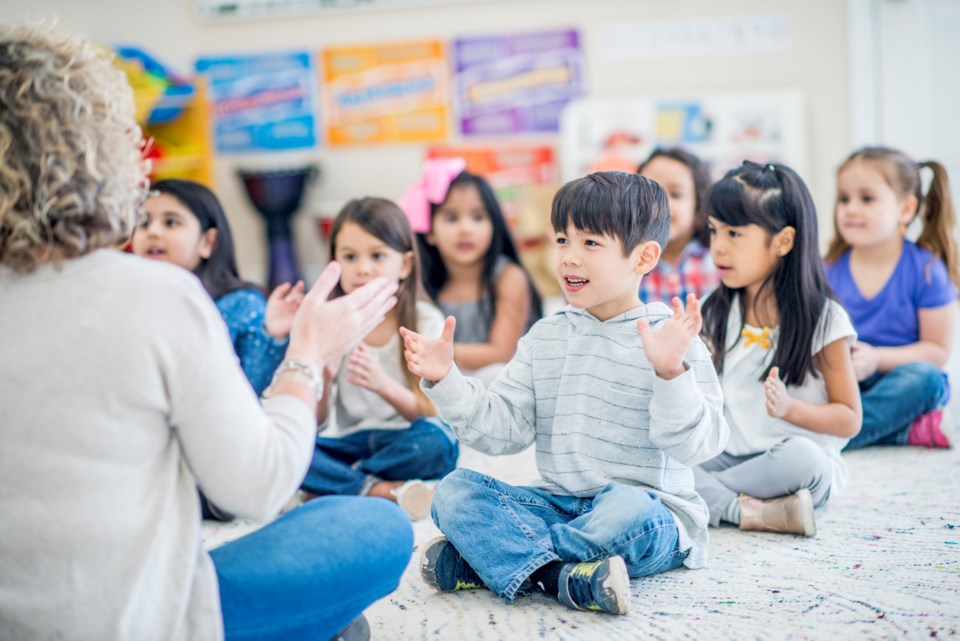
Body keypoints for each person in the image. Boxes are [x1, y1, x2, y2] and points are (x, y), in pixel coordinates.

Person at [0, 24, 411, 641]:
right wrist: (307, 352)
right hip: (142, 621)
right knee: (378, 530)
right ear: (103, 154)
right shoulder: (155, 292)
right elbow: (256, 484)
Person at [399, 171, 728, 616]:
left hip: (650, 514)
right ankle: (559, 578)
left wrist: (671, 373)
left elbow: (698, 446)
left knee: (626, 510)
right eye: (561, 240)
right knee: (454, 492)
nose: (569, 258)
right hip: (560, 505)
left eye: (590, 243)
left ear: (643, 257)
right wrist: (447, 380)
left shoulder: (671, 339)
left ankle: (495, 561)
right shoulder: (546, 336)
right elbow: (502, 432)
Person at [694, 161, 862, 538]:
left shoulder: (824, 319)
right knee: (657, 458)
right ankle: (748, 511)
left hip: (790, 460)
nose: (717, 247)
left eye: (734, 233)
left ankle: (698, 500)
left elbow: (850, 418)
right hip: (728, 454)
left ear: (783, 241)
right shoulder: (715, 310)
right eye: (713, 231)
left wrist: (791, 409)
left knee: (806, 461)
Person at [301, 197, 459, 520]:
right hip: (350, 442)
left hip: (404, 439)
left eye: (377, 255)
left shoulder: (423, 320)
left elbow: (433, 411)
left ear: (405, 265)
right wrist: (325, 376)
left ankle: (340, 483)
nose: (362, 268)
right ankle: (381, 490)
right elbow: (313, 421)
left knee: (441, 441)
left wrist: (382, 384)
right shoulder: (330, 321)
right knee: (294, 448)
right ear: (334, 264)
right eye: (349, 256)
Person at [825, 146, 958, 449]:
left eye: (867, 199)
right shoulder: (828, 267)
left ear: (906, 209)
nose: (851, 209)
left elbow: (936, 351)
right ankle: (905, 432)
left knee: (927, 379)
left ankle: (834, 437)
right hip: (842, 376)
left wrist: (876, 359)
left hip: (896, 377)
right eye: (844, 199)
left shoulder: (926, 271)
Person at [132, 179, 303, 398]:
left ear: (207, 242)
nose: (153, 231)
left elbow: (251, 391)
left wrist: (274, 337)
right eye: (144, 223)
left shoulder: (241, 304)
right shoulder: (132, 304)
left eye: (171, 223)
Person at [401, 157, 542, 386]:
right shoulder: (422, 282)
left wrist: (434, 352)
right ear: (430, 232)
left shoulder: (508, 277)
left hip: (498, 389)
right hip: (439, 387)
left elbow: (501, 353)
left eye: (478, 217)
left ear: (494, 225)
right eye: (451, 217)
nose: (466, 229)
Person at [637, 147, 720, 304]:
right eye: (648, 192)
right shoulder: (626, 262)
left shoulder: (716, 263)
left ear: (699, 206)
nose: (659, 204)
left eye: (676, 194)